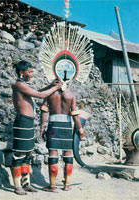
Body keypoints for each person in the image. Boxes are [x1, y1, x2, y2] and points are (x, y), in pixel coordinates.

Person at [11, 60, 62, 195]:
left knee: (28, 154)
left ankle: (25, 184)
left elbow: (37, 92)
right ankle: (17, 186)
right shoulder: (18, 85)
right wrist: (55, 88)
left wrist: (49, 86)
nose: (31, 74)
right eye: (29, 72)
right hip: (22, 122)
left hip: (28, 122)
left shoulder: (23, 86)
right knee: (19, 155)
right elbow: (40, 95)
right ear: (21, 72)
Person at [40, 83, 85, 192]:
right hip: (66, 126)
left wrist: (41, 127)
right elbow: (75, 114)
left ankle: (52, 186)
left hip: (53, 125)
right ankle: (67, 185)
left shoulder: (50, 93)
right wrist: (80, 128)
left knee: (53, 153)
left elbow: (44, 110)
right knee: (68, 153)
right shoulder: (71, 94)